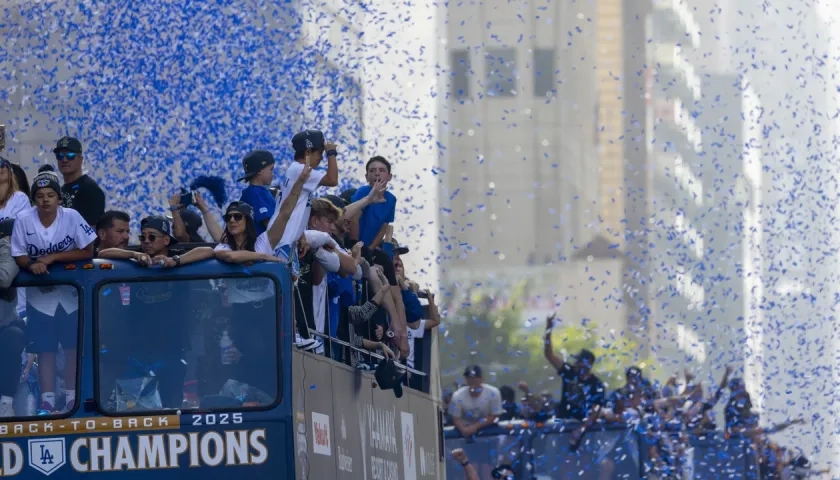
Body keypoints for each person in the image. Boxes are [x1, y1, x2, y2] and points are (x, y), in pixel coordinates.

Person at [11, 167, 97, 413]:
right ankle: (47, 402)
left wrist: (54, 258)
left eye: (51, 194)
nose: (45, 199)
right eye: (40, 195)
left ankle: (71, 398)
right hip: (39, 299)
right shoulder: (24, 219)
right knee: (45, 351)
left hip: (71, 295)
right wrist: (32, 264)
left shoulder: (71, 216)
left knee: (71, 349)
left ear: (59, 198)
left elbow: (88, 251)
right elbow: (18, 254)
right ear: (34, 199)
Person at [267, 129, 338, 271]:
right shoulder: (300, 169)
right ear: (307, 153)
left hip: (287, 239)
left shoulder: (296, 169)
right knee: (285, 290)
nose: (321, 158)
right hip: (283, 240)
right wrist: (331, 153)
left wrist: (301, 235)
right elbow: (332, 180)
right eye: (320, 153)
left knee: (290, 288)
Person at [543, 313, 606, 420]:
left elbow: (597, 410)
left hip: (584, 427)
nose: (577, 364)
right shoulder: (569, 371)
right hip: (564, 423)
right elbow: (549, 355)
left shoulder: (596, 384)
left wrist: (581, 429)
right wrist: (548, 328)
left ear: (589, 364)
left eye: (581, 361)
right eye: (577, 361)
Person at [53, 136, 105, 227]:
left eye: (70, 155)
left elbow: (93, 229)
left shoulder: (90, 189)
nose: (64, 160)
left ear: (81, 160)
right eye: (60, 156)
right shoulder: (59, 190)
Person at [0, 219, 24, 418]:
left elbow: (4, 277)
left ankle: (6, 403)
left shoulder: (5, 246)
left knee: (13, 337)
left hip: (5, 325)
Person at [350, 156, 396, 249]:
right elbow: (354, 220)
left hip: (370, 247)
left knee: (385, 261)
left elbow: (383, 228)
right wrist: (356, 246)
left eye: (382, 170)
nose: (377, 173)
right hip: (353, 243)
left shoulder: (391, 199)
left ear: (389, 176)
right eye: (372, 171)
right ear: (366, 177)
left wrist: (370, 249)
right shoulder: (362, 192)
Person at [238, 150, 277, 235]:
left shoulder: (254, 192)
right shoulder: (255, 193)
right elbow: (268, 224)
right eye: (271, 169)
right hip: (260, 245)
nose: (273, 174)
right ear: (259, 171)